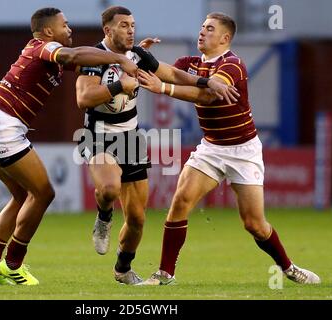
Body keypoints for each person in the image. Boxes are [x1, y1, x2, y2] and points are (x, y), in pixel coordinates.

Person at [138, 12, 320, 285]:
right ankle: (165, 273)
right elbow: (171, 72)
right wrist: (140, 55)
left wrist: (162, 88)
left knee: (254, 224)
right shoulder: (192, 63)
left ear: (225, 38)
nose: (202, 32)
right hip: (211, 148)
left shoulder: (233, 65)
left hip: (243, 151)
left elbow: (209, 95)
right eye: (201, 27)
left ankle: (288, 268)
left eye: (209, 29)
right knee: (180, 202)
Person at [0, 7, 139, 286]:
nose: (69, 29)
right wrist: (120, 57)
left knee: (22, 197)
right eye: (65, 25)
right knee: (43, 193)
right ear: (49, 31)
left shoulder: (53, 56)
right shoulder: (43, 47)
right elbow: (74, 55)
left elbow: (87, 60)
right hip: (1, 124)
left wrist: (132, 56)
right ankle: (13, 265)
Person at [75, 6, 239, 285]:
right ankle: (103, 216)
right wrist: (119, 86)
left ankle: (123, 269)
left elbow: (172, 75)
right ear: (108, 30)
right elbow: (84, 98)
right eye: (124, 25)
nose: (131, 30)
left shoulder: (138, 55)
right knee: (110, 188)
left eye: (132, 25)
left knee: (138, 219)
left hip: (131, 137)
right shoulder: (94, 57)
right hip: (97, 135)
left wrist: (205, 80)